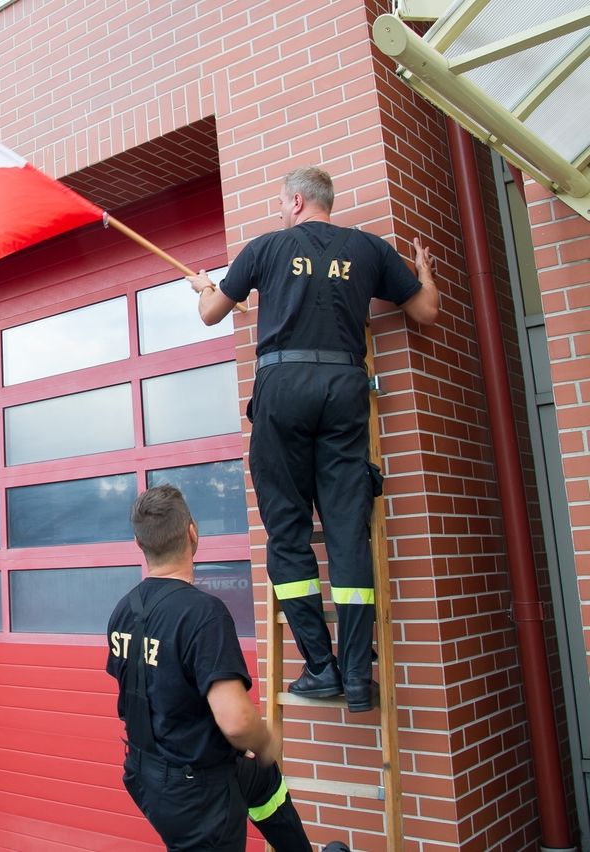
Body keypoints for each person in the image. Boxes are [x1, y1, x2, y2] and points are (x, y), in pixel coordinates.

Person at [186, 166, 439, 712]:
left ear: (297, 202)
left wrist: (206, 287)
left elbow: (211, 314)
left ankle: (320, 667)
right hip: (345, 388)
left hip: (283, 388)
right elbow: (426, 311)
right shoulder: (369, 250)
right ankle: (356, 673)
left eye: (282, 203)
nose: (281, 211)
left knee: (286, 530)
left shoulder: (267, 248)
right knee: (348, 530)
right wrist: (424, 272)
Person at [106, 484, 349, 852]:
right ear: (193, 532)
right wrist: (266, 742)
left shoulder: (123, 610)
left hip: (146, 774)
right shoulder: (203, 614)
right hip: (194, 794)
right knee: (258, 759)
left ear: (141, 545)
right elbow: (236, 722)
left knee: (261, 779)